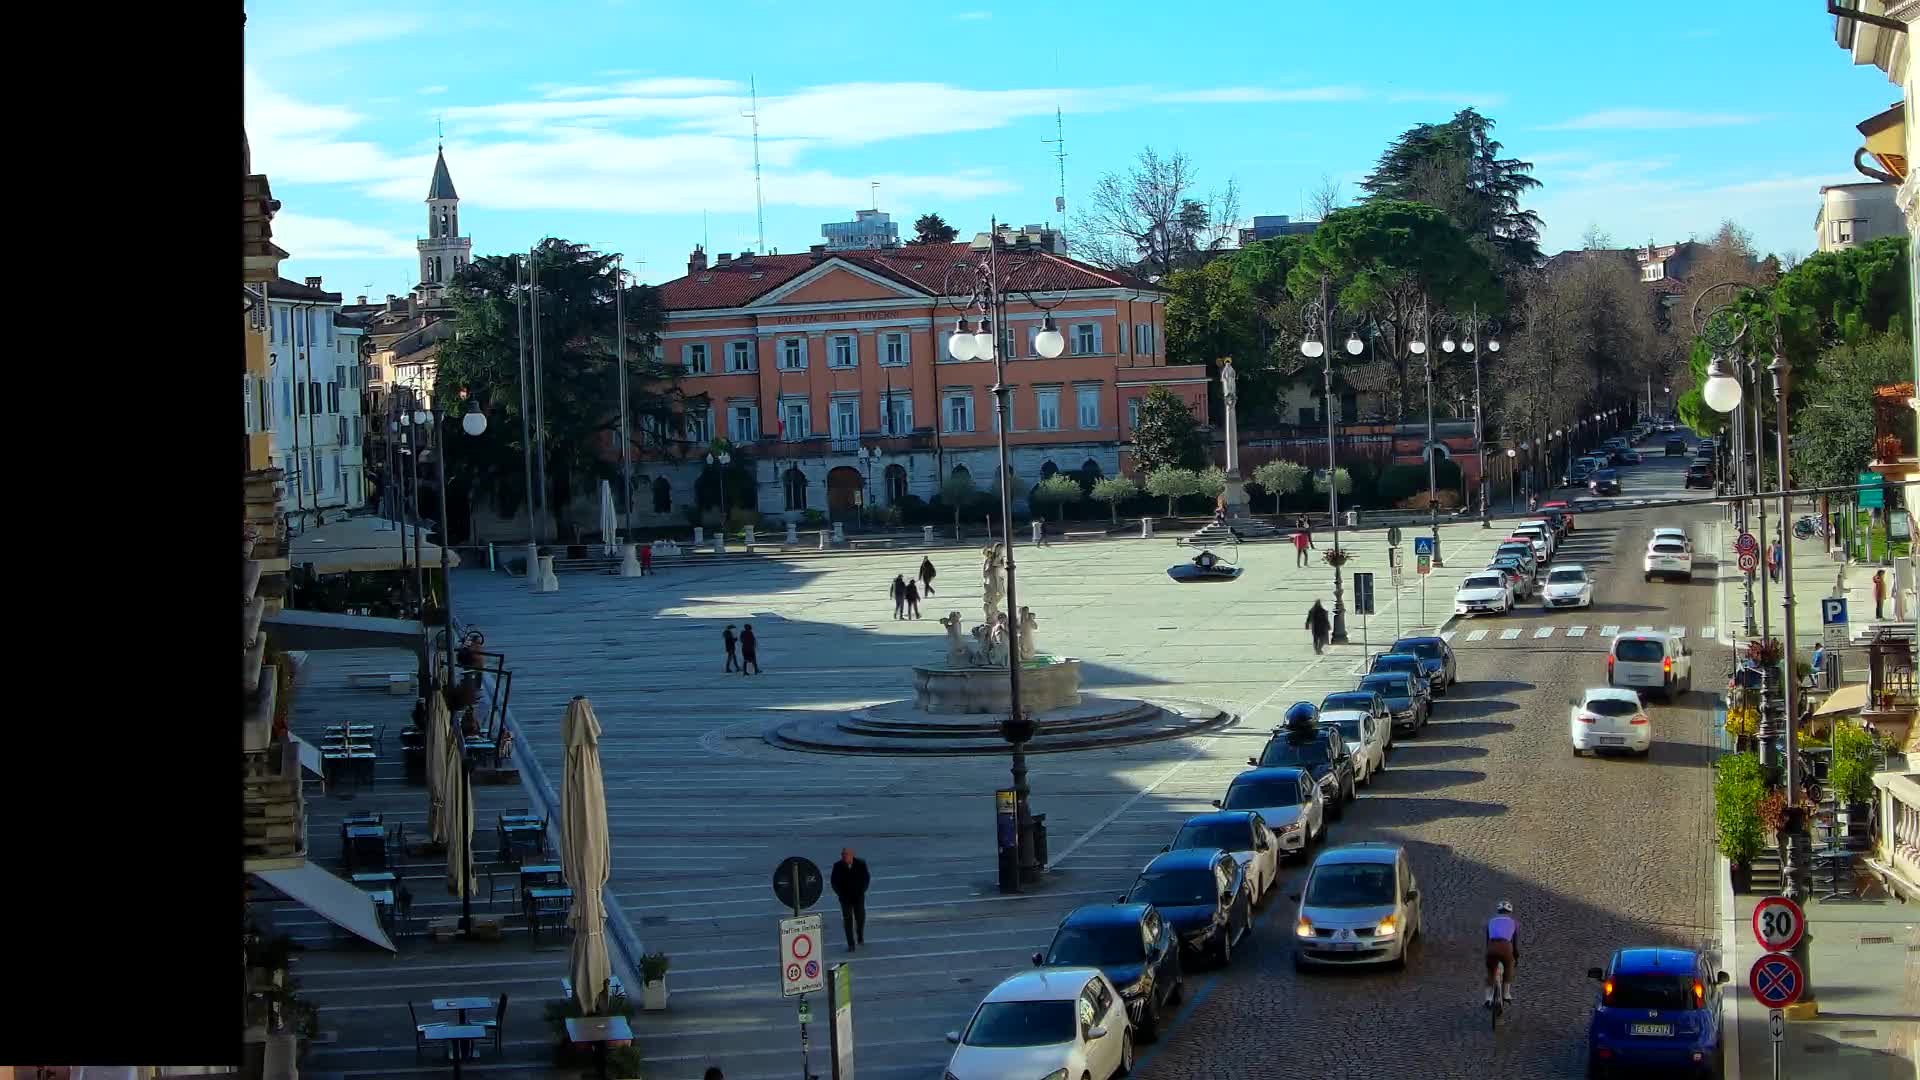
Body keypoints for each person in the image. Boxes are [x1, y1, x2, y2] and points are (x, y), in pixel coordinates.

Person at [830, 847, 870, 951]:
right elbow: (834, 882)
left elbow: (866, 879)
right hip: (845, 898)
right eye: (843, 854)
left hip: (858, 896)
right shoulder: (837, 866)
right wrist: (840, 893)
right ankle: (851, 944)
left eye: (846, 854)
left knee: (860, 918)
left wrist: (862, 890)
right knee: (848, 920)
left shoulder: (861, 864)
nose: (844, 856)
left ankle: (860, 934)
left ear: (852, 855)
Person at [1485, 899, 1518, 1006]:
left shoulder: (1490, 921)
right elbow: (1514, 942)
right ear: (1509, 912)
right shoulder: (1513, 923)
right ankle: (1506, 994)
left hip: (1491, 947)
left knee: (1490, 970)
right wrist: (1516, 956)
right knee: (1509, 966)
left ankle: (1488, 998)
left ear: (1498, 911)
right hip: (1505, 947)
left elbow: (1487, 940)